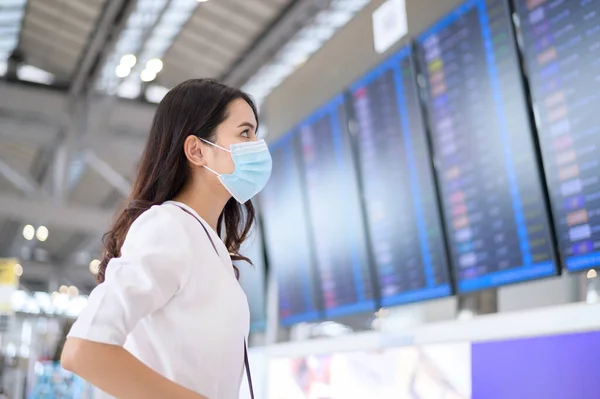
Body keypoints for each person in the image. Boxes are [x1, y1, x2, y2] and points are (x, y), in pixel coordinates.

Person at [61, 78, 272, 399]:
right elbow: (85, 349)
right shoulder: (169, 227)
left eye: (256, 132)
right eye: (245, 132)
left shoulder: (207, 242)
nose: (257, 144)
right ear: (197, 150)